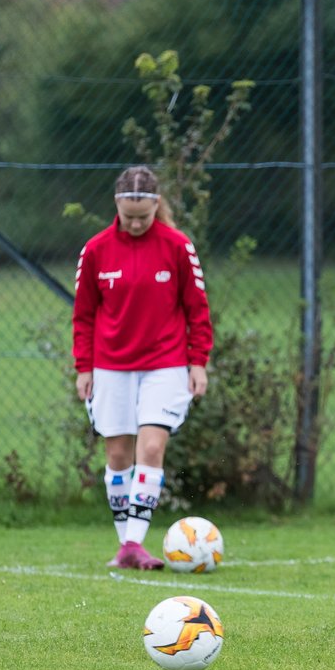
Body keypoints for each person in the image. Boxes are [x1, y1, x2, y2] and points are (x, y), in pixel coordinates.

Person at [72, 165, 213, 570]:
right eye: (128, 216)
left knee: (150, 447)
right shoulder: (96, 249)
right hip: (109, 365)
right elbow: (83, 315)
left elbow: (197, 309)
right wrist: (85, 367)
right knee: (117, 454)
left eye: (143, 218)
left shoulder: (177, 246)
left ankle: (133, 543)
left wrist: (197, 361)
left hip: (165, 363)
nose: (135, 224)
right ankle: (126, 545)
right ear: (116, 205)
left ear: (156, 208)